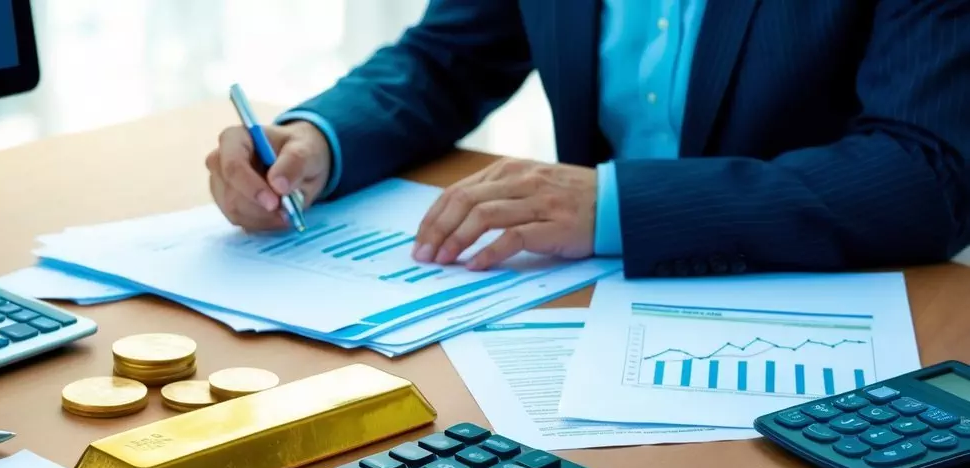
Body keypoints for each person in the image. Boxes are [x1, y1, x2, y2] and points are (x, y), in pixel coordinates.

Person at [204, 1, 970, 277]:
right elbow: (450, 56)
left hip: (824, 320)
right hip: (582, 310)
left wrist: (614, 203)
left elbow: (924, 172)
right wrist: (316, 141)